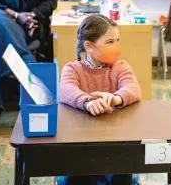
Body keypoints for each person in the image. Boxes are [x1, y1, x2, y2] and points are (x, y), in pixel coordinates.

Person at [59, 14, 141, 185]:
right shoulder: (73, 68)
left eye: (117, 40)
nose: (116, 47)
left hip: (116, 144)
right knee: (80, 175)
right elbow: (66, 90)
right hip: (82, 146)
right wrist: (88, 102)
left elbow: (133, 88)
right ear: (89, 46)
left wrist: (116, 98)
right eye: (110, 42)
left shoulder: (120, 67)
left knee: (121, 173)